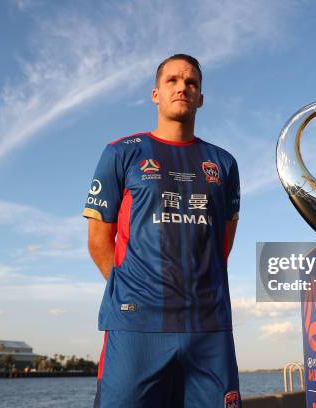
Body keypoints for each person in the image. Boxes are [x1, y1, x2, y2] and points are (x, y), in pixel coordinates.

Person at [83, 54, 241, 408]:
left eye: (191, 83)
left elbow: (222, 244)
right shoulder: (121, 153)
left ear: (200, 98)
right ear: (156, 93)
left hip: (208, 327)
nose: (182, 87)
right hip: (137, 327)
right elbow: (98, 241)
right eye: (172, 80)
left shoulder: (224, 163)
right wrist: (133, 292)